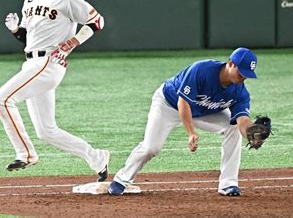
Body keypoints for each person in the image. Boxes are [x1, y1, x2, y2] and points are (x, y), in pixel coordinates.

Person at [0, 0, 110, 182]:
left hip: (48, 63)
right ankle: (97, 157)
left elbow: (97, 20)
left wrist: (74, 41)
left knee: (1, 100)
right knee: (46, 131)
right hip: (31, 64)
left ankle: (25, 154)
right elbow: (27, 39)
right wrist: (16, 30)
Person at [109, 47, 259, 196]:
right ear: (231, 63)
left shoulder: (240, 92)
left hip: (202, 112)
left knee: (232, 128)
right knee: (151, 148)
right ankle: (122, 180)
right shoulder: (202, 70)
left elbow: (242, 120)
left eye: (247, 75)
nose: (243, 78)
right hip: (169, 104)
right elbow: (183, 103)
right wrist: (191, 132)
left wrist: (252, 133)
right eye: (241, 73)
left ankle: (229, 183)